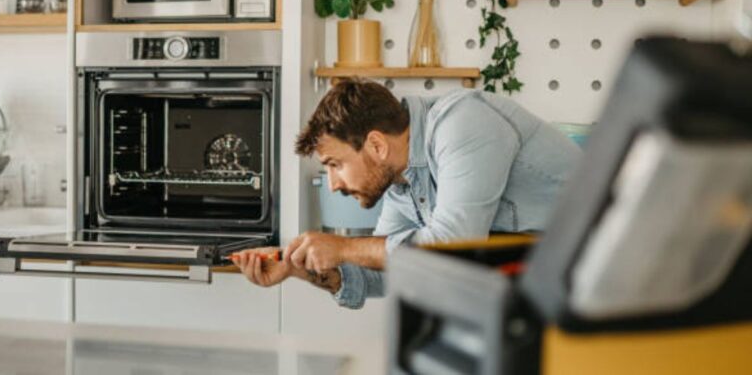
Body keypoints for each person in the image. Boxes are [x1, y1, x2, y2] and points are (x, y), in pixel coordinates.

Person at [231, 78, 582, 308]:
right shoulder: (400, 182)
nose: (334, 183)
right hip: (543, 288)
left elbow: (454, 245)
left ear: (376, 145)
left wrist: (342, 246)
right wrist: (295, 268)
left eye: (335, 164)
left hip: (600, 277)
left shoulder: (464, 123)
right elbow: (383, 272)